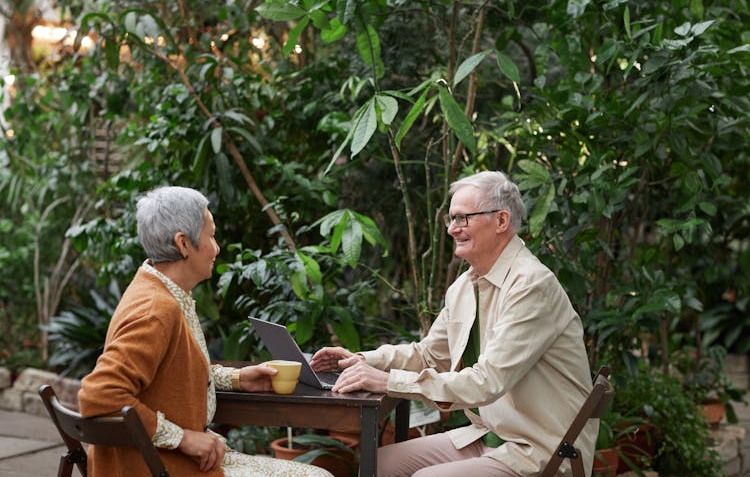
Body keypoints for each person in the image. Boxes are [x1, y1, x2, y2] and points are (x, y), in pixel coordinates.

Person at [310, 171, 596, 476]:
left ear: (500, 221)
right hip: (488, 435)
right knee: (380, 463)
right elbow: (430, 355)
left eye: (462, 219)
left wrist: (386, 381)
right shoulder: (465, 286)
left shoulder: (531, 285)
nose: (451, 229)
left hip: (542, 449)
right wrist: (364, 361)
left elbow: (488, 382)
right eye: (450, 219)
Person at [78, 186, 331, 477]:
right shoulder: (155, 309)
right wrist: (183, 438)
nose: (217, 247)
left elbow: (172, 373)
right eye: (211, 236)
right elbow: (99, 395)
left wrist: (237, 379)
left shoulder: (162, 291)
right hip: (156, 466)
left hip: (167, 460)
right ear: (184, 244)